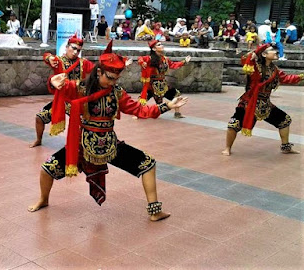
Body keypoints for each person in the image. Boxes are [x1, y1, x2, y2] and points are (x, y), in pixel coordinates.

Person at [28, 40, 188, 222]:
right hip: (84, 146)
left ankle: (154, 211)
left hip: (110, 145)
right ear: (99, 72)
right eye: (109, 78)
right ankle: (43, 199)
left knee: (148, 164)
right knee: (47, 169)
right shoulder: (81, 89)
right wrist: (52, 81)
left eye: (116, 79)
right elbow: (62, 88)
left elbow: (139, 110)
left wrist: (167, 106)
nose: (112, 82)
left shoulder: (117, 93)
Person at [222, 44, 304, 156]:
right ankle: (227, 148)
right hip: (249, 102)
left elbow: (286, 78)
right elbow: (245, 61)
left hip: (265, 104)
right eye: (272, 50)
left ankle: (285, 147)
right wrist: (252, 55)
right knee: (234, 124)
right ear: (264, 54)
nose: (276, 52)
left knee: (285, 120)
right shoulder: (255, 66)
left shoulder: (274, 70)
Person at [30, 34, 95, 148]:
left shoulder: (83, 62)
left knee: (85, 124)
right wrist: (49, 58)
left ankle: (84, 145)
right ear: (67, 47)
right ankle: (38, 139)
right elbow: (46, 56)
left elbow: (96, 69)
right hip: (62, 99)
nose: (75, 52)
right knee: (39, 117)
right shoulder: (59, 61)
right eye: (73, 48)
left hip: (77, 100)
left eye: (78, 50)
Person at [137, 40, 191, 118]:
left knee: (176, 94)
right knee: (144, 99)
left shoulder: (165, 59)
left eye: (161, 44)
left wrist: (184, 62)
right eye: (159, 45)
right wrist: (142, 63)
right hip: (152, 85)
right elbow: (140, 58)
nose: (162, 46)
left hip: (163, 83)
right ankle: (138, 113)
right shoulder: (149, 58)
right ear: (154, 49)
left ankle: (177, 113)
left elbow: (173, 64)